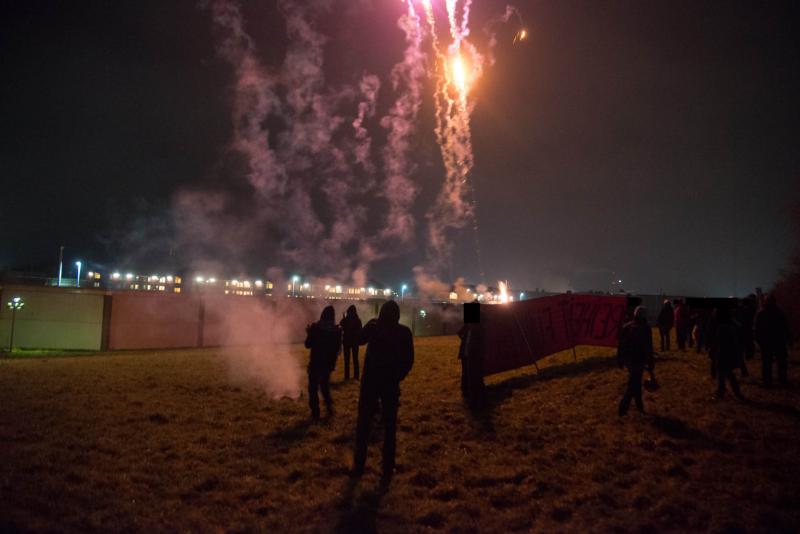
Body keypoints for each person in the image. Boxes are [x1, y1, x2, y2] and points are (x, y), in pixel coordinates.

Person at [352, 301, 414, 484]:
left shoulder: (374, 327)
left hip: (370, 383)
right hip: (390, 384)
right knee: (389, 427)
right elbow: (409, 360)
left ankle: (359, 465)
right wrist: (398, 376)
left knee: (363, 425)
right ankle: (387, 467)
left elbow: (357, 340)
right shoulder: (404, 332)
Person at [304, 306, 342, 420]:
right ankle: (329, 407)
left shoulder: (316, 327)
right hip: (328, 363)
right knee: (324, 386)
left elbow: (307, 344)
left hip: (316, 362)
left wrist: (309, 332)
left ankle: (315, 412)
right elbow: (338, 349)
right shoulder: (337, 330)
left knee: (313, 388)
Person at [617, 306, 655, 416]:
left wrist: (620, 359)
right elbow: (649, 347)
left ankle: (639, 405)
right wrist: (650, 362)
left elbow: (621, 346)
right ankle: (623, 408)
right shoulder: (646, 329)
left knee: (636, 382)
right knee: (633, 384)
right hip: (638, 361)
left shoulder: (627, 327)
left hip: (629, 360)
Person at [755, 294, 792, 387]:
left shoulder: (762, 313)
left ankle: (768, 381)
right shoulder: (779, 312)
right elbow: (785, 327)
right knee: (780, 362)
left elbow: (756, 329)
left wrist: (759, 341)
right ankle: (781, 379)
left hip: (768, 342)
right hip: (777, 341)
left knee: (767, 362)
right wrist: (788, 339)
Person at [710, 307, 745, 400]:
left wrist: (716, 357)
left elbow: (721, 345)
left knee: (725, 374)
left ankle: (722, 392)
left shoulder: (723, 328)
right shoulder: (730, 325)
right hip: (728, 355)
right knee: (726, 374)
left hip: (724, 355)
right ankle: (730, 392)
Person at [340, 305, 363, 381]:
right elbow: (360, 330)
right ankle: (356, 376)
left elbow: (341, 326)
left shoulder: (346, 319)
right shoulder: (358, 320)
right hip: (355, 342)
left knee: (347, 360)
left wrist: (344, 317)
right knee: (355, 359)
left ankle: (347, 377)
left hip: (347, 341)